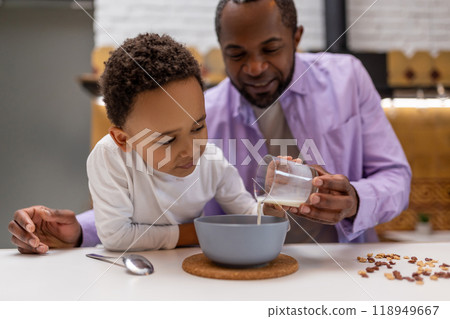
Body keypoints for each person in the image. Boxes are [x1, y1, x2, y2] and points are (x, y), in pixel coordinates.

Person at [8, 0, 411, 253]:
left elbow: (396, 176)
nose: (255, 68)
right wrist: (77, 229)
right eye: (238, 54)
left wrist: (356, 199)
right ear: (223, 51)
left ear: (296, 37)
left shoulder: (347, 80)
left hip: (342, 260)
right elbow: (156, 205)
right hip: (234, 272)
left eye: (271, 49)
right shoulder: (199, 112)